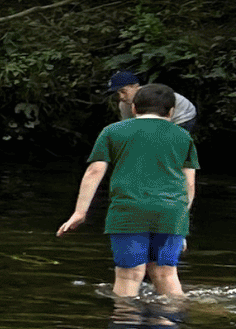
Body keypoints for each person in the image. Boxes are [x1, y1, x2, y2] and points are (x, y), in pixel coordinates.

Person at [61, 82, 200, 300]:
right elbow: (189, 183)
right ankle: (171, 327)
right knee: (166, 274)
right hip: (171, 213)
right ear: (171, 111)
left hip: (129, 211)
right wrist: (181, 223)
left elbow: (95, 171)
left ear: (134, 108)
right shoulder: (183, 137)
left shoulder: (113, 131)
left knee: (129, 276)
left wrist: (80, 212)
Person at [107, 69, 200, 130]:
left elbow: (157, 125)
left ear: (136, 86)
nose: (121, 97)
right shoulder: (124, 104)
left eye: (123, 91)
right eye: (117, 93)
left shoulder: (152, 96)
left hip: (182, 118)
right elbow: (128, 126)